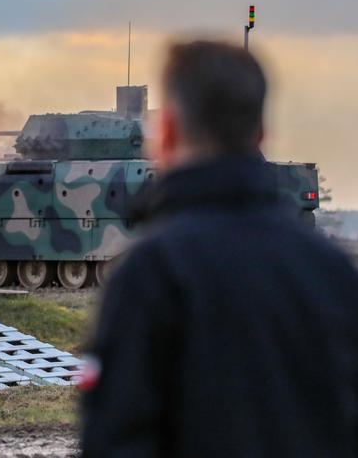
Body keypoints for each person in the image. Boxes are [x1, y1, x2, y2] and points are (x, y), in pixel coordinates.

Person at [80, 40, 358, 457]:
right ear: (261, 133)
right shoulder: (332, 271)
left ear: (169, 130)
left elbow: (117, 435)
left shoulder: (151, 272)